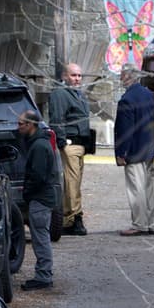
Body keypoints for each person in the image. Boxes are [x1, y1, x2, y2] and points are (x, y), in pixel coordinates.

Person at [113, 63, 154, 236]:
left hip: (133, 150)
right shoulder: (149, 95)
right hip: (148, 148)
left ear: (127, 76)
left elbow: (125, 130)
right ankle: (151, 222)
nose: (120, 78)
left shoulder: (127, 99)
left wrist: (121, 153)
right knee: (148, 188)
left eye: (122, 75)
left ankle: (139, 224)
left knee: (136, 188)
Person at [48, 62, 91, 236]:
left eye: (79, 75)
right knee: (71, 183)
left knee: (75, 183)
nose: (77, 79)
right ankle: (74, 218)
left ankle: (70, 218)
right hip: (70, 144)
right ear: (64, 76)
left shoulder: (78, 95)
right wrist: (62, 142)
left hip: (80, 144)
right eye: (73, 75)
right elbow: (57, 118)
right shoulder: (60, 94)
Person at [16, 110, 56, 290]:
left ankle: (43, 276)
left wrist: (28, 192)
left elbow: (38, 176)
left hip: (40, 199)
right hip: (41, 198)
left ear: (31, 125)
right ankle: (43, 274)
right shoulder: (38, 143)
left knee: (40, 239)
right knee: (41, 237)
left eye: (21, 124)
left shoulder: (39, 146)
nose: (18, 127)